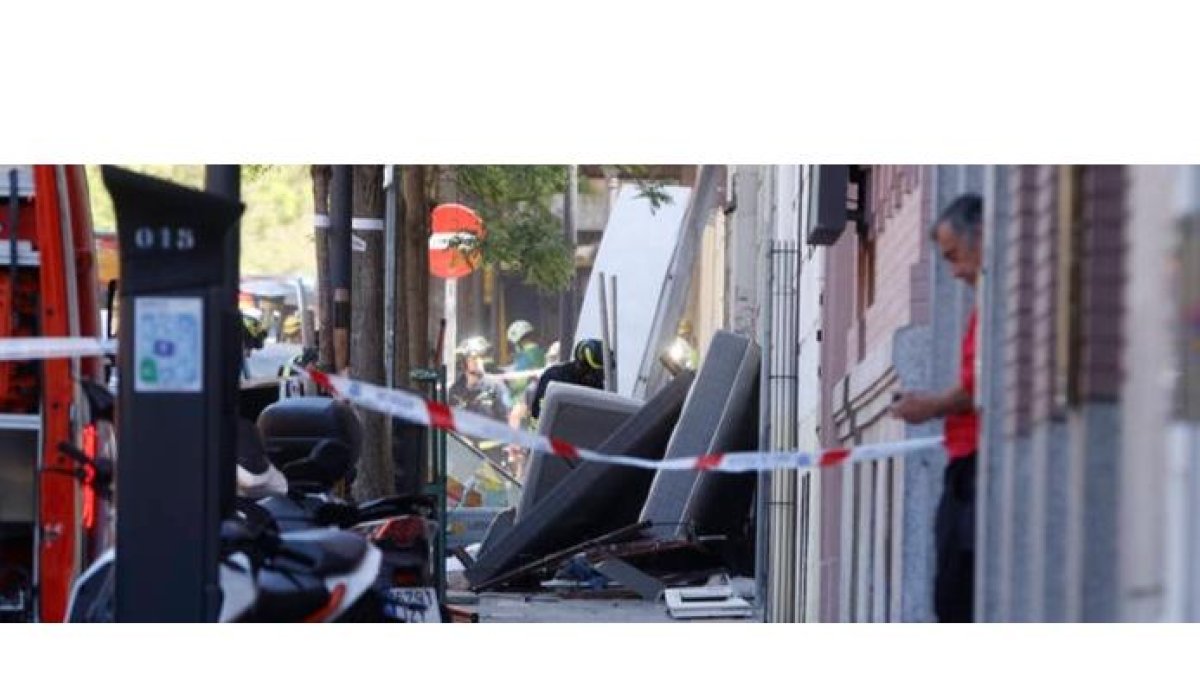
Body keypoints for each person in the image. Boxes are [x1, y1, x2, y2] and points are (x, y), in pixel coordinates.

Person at [890, 193, 983, 623]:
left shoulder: (996, 307)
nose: (956, 271)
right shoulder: (985, 308)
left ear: (980, 237)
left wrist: (929, 405)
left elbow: (978, 389)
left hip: (976, 468)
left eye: (955, 256)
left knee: (956, 594)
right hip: (963, 462)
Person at [528, 338, 606, 420]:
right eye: (590, 370)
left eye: (598, 372)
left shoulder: (596, 383)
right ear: (579, 364)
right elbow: (540, 413)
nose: (593, 376)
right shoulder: (555, 377)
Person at [449, 336, 511, 423]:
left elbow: (506, 420)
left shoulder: (496, 387)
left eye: (481, 357)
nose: (478, 361)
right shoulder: (455, 391)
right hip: (461, 436)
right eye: (473, 358)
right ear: (463, 362)